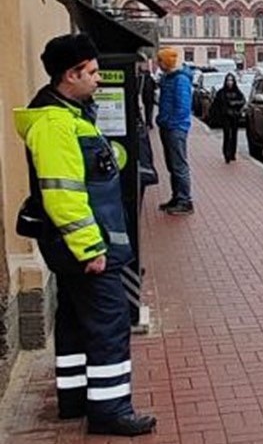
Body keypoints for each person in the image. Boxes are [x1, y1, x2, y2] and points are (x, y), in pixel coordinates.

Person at [12, 33, 157, 436]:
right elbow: (63, 197)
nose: (98, 79)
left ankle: (75, 399)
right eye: (91, 72)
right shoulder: (57, 125)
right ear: (70, 75)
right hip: (89, 249)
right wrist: (90, 249)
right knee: (109, 326)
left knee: (75, 321)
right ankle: (111, 410)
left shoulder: (67, 116)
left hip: (78, 246)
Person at [155, 47, 194, 215]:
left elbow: (183, 107)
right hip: (169, 126)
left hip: (175, 128)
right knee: (172, 165)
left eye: (160, 61)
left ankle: (185, 201)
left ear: (166, 62)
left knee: (179, 165)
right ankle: (177, 197)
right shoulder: (169, 78)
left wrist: (169, 122)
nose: (158, 64)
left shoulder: (180, 80)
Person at [210, 72, 246, 163]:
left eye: (231, 80)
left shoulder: (237, 92)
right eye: (228, 80)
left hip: (235, 117)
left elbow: (242, 101)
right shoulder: (221, 92)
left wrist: (235, 104)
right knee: (227, 134)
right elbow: (216, 105)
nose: (230, 82)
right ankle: (226, 153)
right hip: (225, 117)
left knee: (234, 135)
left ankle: (232, 153)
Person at [138, 62, 156, 129]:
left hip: (144, 96)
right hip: (150, 97)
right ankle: (149, 122)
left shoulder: (142, 79)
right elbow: (155, 86)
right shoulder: (150, 78)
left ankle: (147, 122)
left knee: (145, 110)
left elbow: (139, 87)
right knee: (150, 110)